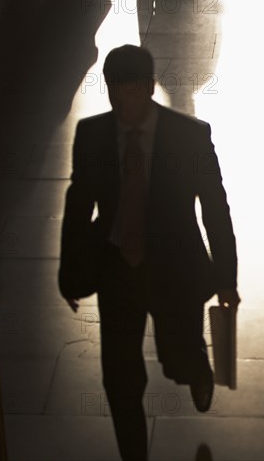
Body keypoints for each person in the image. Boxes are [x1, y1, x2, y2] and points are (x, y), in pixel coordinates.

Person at [59, 44, 240, 461]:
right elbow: (78, 205)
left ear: (150, 87)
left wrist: (226, 280)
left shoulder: (190, 136)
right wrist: (71, 272)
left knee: (177, 357)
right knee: (120, 381)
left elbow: (215, 208)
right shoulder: (93, 135)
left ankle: (196, 369)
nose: (123, 105)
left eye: (131, 93)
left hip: (175, 270)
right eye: (114, 95)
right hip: (117, 267)